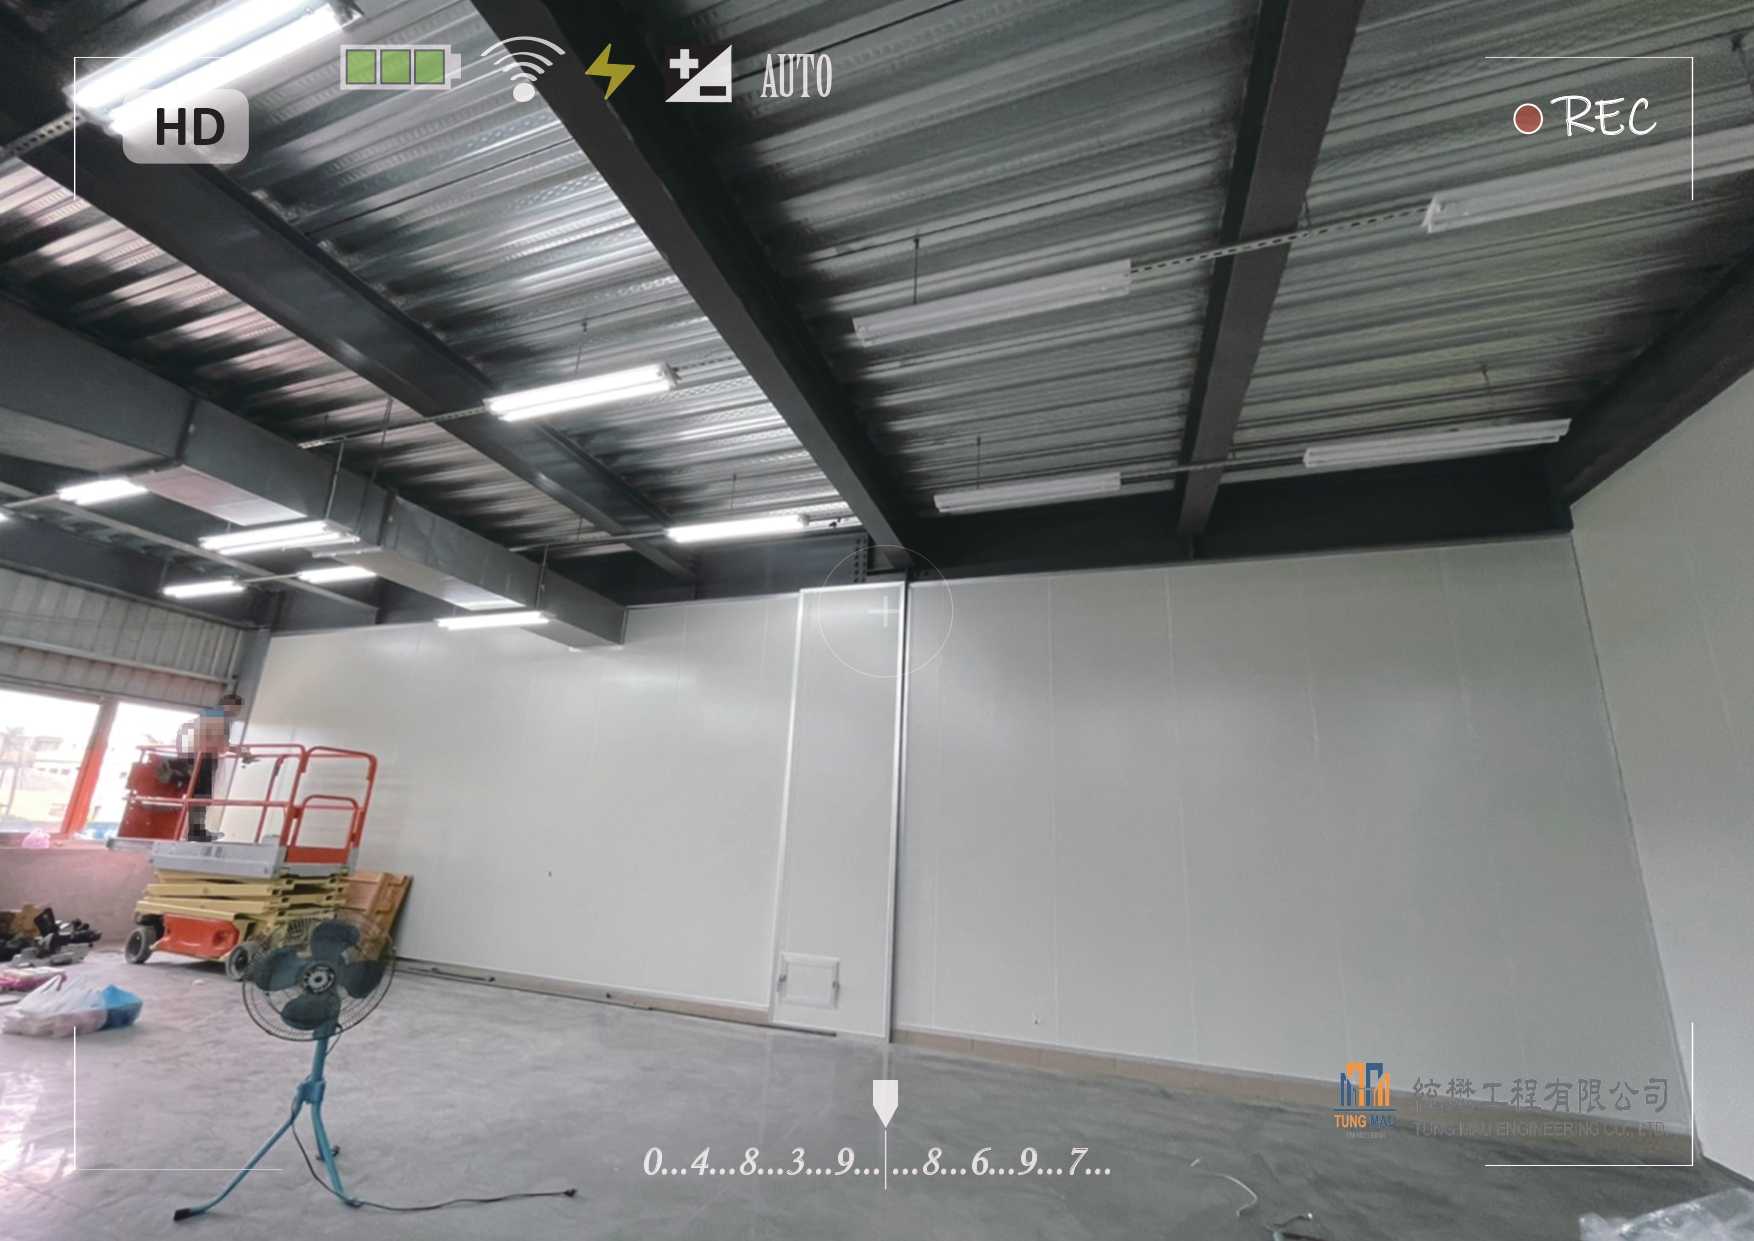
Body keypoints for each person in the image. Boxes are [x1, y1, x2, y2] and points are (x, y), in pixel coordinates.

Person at [185, 692, 244, 843]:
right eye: (237, 709)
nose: (237, 713)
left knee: (198, 795)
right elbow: (220, 744)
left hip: (196, 756)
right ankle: (196, 832)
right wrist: (239, 751)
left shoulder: (206, 715)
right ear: (230, 705)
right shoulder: (220, 718)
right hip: (205, 758)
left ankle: (196, 830)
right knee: (201, 796)